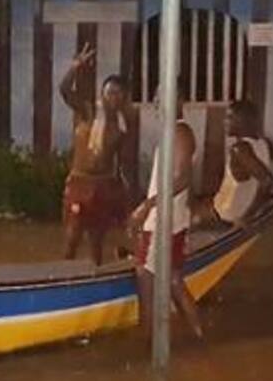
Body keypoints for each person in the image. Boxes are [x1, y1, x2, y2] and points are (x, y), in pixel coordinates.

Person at [128, 84, 204, 342]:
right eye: (156, 98)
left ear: (178, 99)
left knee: (146, 286)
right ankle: (200, 340)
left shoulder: (180, 132)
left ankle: (146, 352)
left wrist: (146, 206)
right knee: (173, 283)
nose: (156, 103)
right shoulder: (178, 131)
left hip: (161, 222)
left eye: (161, 98)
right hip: (173, 220)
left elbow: (182, 178)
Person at [59, 43, 133, 265]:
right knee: (72, 235)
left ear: (124, 98)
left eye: (118, 94)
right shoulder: (87, 111)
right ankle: (63, 281)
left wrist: (124, 195)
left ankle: (95, 280)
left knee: (96, 240)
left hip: (102, 186)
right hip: (79, 182)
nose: (112, 97)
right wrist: (75, 67)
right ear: (103, 93)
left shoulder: (121, 127)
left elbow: (121, 163)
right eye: (109, 92)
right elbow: (64, 90)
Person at [193, 99, 273, 228]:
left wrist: (247, 217)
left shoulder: (240, 149)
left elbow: (267, 180)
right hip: (231, 207)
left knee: (184, 218)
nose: (224, 121)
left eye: (229, 117)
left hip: (228, 214)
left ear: (243, 120)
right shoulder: (261, 143)